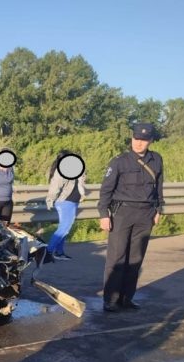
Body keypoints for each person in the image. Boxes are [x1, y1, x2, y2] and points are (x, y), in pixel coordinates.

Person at [97, 122, 164, 312]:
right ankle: (111, 299)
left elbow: (158, 187)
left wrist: (158, 209)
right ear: (131, 138)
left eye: (143, 140)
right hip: (122, 213)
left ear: (150, 140)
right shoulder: (119, 161)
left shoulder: (157, 160)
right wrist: (104, 214)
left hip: (146, 214)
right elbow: (106, 190)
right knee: (117, 257)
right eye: (136, 139)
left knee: (135, 259)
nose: (139, 143)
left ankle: (126, 298)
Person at [45, 150, 88, 260]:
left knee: (65, 228)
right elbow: (55, 187)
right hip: (65, 202)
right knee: (64, 228)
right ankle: (48, 252)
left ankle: (59, 252)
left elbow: (81, 183)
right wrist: (50, 200)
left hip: (73, 201)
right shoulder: (62, 170)